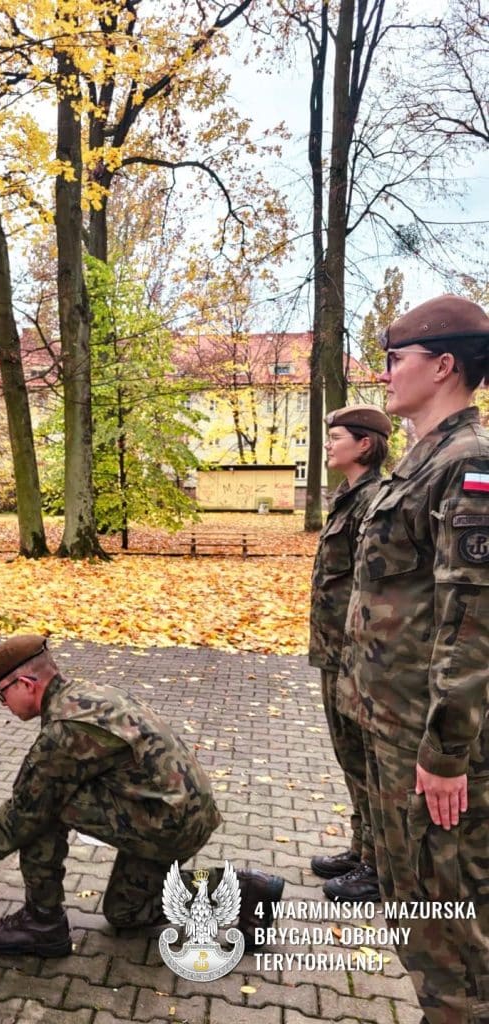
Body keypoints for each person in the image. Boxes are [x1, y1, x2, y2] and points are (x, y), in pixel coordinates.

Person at [0, 634, 285, 957]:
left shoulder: (66, 730)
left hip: (167, 822)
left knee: (49, 808)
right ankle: (244, 889)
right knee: (126, 914)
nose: (2, 702)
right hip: (182, 811)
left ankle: (42, 922)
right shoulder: (85, 694)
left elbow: (27, 809)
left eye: (2, 693)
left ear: (25, 683)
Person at [337, 294, 489, 1024]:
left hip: (428, 746)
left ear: (446, 365)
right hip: (389, 730)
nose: (386, 373)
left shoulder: (469, 465)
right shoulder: (419, 463)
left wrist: (447, 749)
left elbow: (472, 621)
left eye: (397, 360)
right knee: (411, 907)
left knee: (446, 924)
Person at [308, 405, 391, 902]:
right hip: (333, 650)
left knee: (366, 760)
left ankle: (378, 867)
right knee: (348, 756)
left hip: (358, 654)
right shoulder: (346, 498)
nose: (328, 444)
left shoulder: (373, 501)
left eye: (335, 436)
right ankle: (360, 849)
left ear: (364, 444)